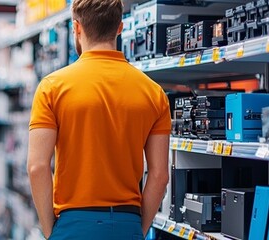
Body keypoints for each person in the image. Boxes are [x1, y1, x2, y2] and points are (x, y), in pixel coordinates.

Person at [26, 0, 171, 239]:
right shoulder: (153, 93)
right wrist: (138, 228)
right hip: (127, 223)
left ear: (76, 28)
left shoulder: (52, 88)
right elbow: (159, 175)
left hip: (73, 225)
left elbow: (37, 167)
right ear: (120, 28)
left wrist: (50, 231)